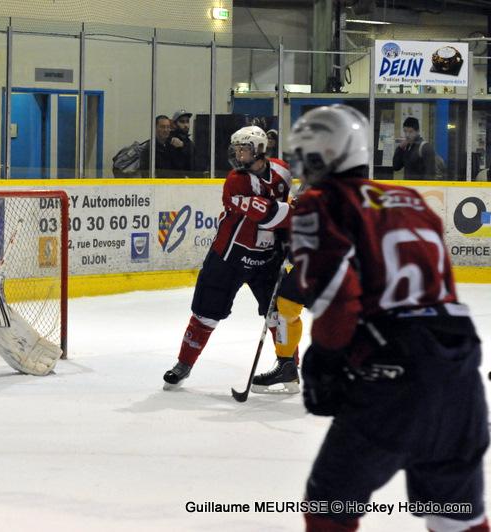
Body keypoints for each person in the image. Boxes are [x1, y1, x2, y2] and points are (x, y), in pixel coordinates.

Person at [287, 105, 488, 531]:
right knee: (456, 515)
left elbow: (339, 301)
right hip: (459, 370)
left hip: (392, 371)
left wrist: (324, 361)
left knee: (329, 507)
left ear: (325, 153)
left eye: (305, 155)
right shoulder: (412, 199)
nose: (300, 165)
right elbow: (439, 285)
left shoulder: (322, 203)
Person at [162, 125, 304, 393]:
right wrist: (296, 210)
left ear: (259, 150)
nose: (238, 155)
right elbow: (268, 215)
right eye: (236, 149)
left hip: (268, 258)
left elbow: (286, 209)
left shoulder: (282, 170)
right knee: (205, 313)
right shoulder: (236, 181)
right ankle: (184, 363)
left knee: (279, 314)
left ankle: (288, 367)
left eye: (244, 149)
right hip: (229, 256)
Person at [168, 109, 196, 176]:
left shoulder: (190, 144)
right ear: (174, 124)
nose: (186, 125)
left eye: (187, 121)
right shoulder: (169, 140)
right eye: (182, 122)